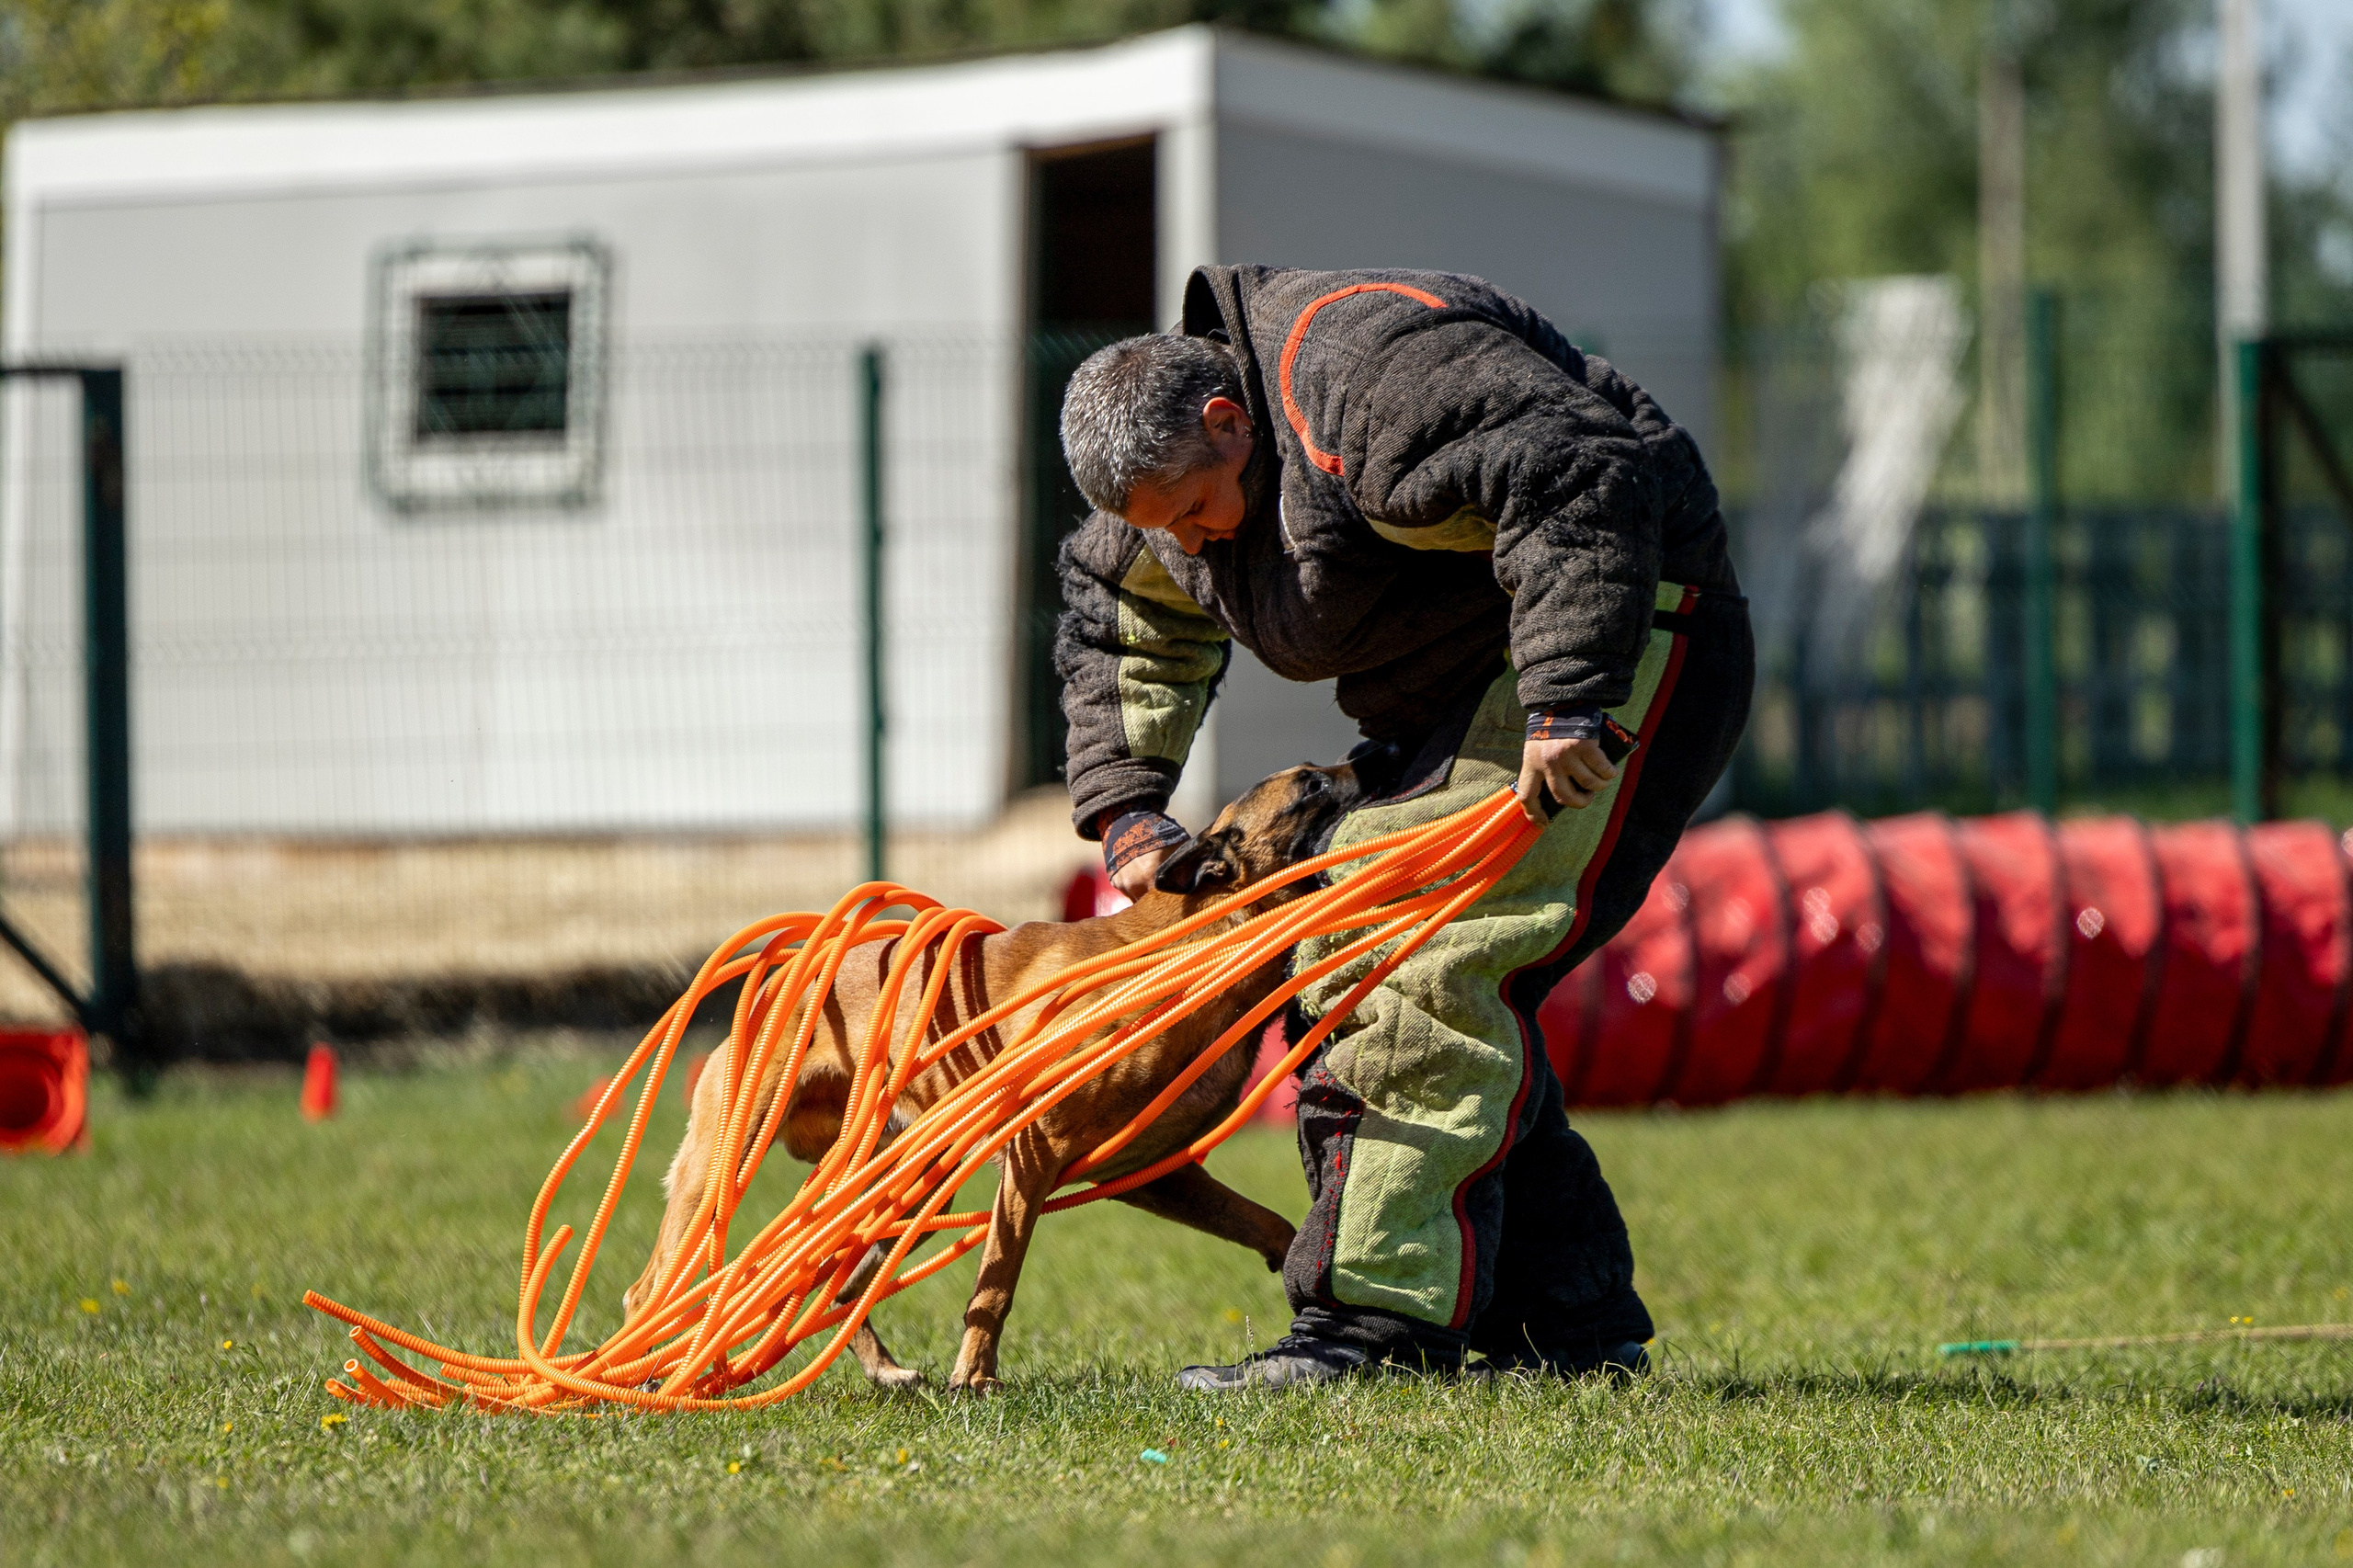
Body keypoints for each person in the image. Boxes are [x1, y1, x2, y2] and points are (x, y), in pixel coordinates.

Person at [1053, 266, 1752, 1390]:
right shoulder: (1169, 489)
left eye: (1194, 510)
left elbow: (1575, 468)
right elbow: (1125, 612)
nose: (1189, 541)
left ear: (1227, 422)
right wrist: (1128, 804)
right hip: (1454, 690)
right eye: (1161, 527)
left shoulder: (1365, 374)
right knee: (1384, 959)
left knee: (1400, 958)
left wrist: (1567, 694)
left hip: (1623, 632)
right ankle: (1561, 1324)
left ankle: (1368, 1327)